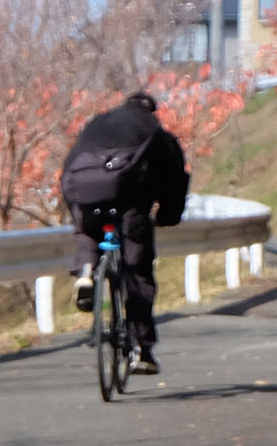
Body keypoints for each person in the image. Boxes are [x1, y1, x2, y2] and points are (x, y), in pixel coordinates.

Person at [60, 90, 189, 374]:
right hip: (129, 195)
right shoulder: (154, 131)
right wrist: (169, 216)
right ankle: (142, 349)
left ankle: (85, 272)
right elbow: (175, 177)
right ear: (150, 110)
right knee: (136, 268)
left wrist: (75, 207)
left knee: (88, 231)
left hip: (84, 187)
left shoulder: (97, 123)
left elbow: (69, 166)